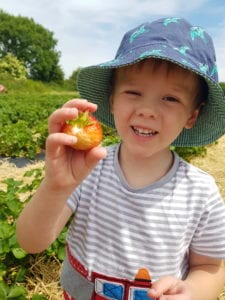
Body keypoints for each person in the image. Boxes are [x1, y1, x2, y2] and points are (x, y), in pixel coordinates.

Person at [16, 17, 225, 300]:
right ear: (112, 100)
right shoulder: (88, 169)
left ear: (192, 115)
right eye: (133, 92)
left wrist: (194, 292)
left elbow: (210, 267)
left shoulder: (201, 192)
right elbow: (30, 242)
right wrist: (56, 186)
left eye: (170, 99)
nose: (147, 110)